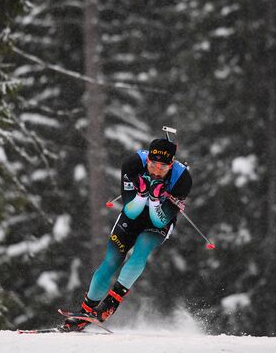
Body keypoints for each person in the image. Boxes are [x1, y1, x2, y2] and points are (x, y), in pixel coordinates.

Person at [62, 137, 192, 331]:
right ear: (147, 159)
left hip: (158, 221)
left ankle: (110, 305)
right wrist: (141, 194)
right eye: (153, 165)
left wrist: (155, 199)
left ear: (171, 165)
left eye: (163, 168)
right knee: (111, 261)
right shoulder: (133, 164)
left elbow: (160, 221)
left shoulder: (182, 179)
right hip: (133, 214)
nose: (156, 171)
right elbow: (130, 211)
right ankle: (84, 312)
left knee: (142, 248)